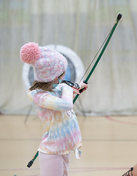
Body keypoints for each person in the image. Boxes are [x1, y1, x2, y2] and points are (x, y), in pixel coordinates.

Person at [20, 42, 88, 176]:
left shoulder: (53, 90)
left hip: (63, 150)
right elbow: (66, 104)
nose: (63, 77)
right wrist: (67, 88)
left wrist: (76, 87)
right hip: (51, 153)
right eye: (61, 74)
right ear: (54, 77)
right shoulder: (39, 96)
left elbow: (60, 94)